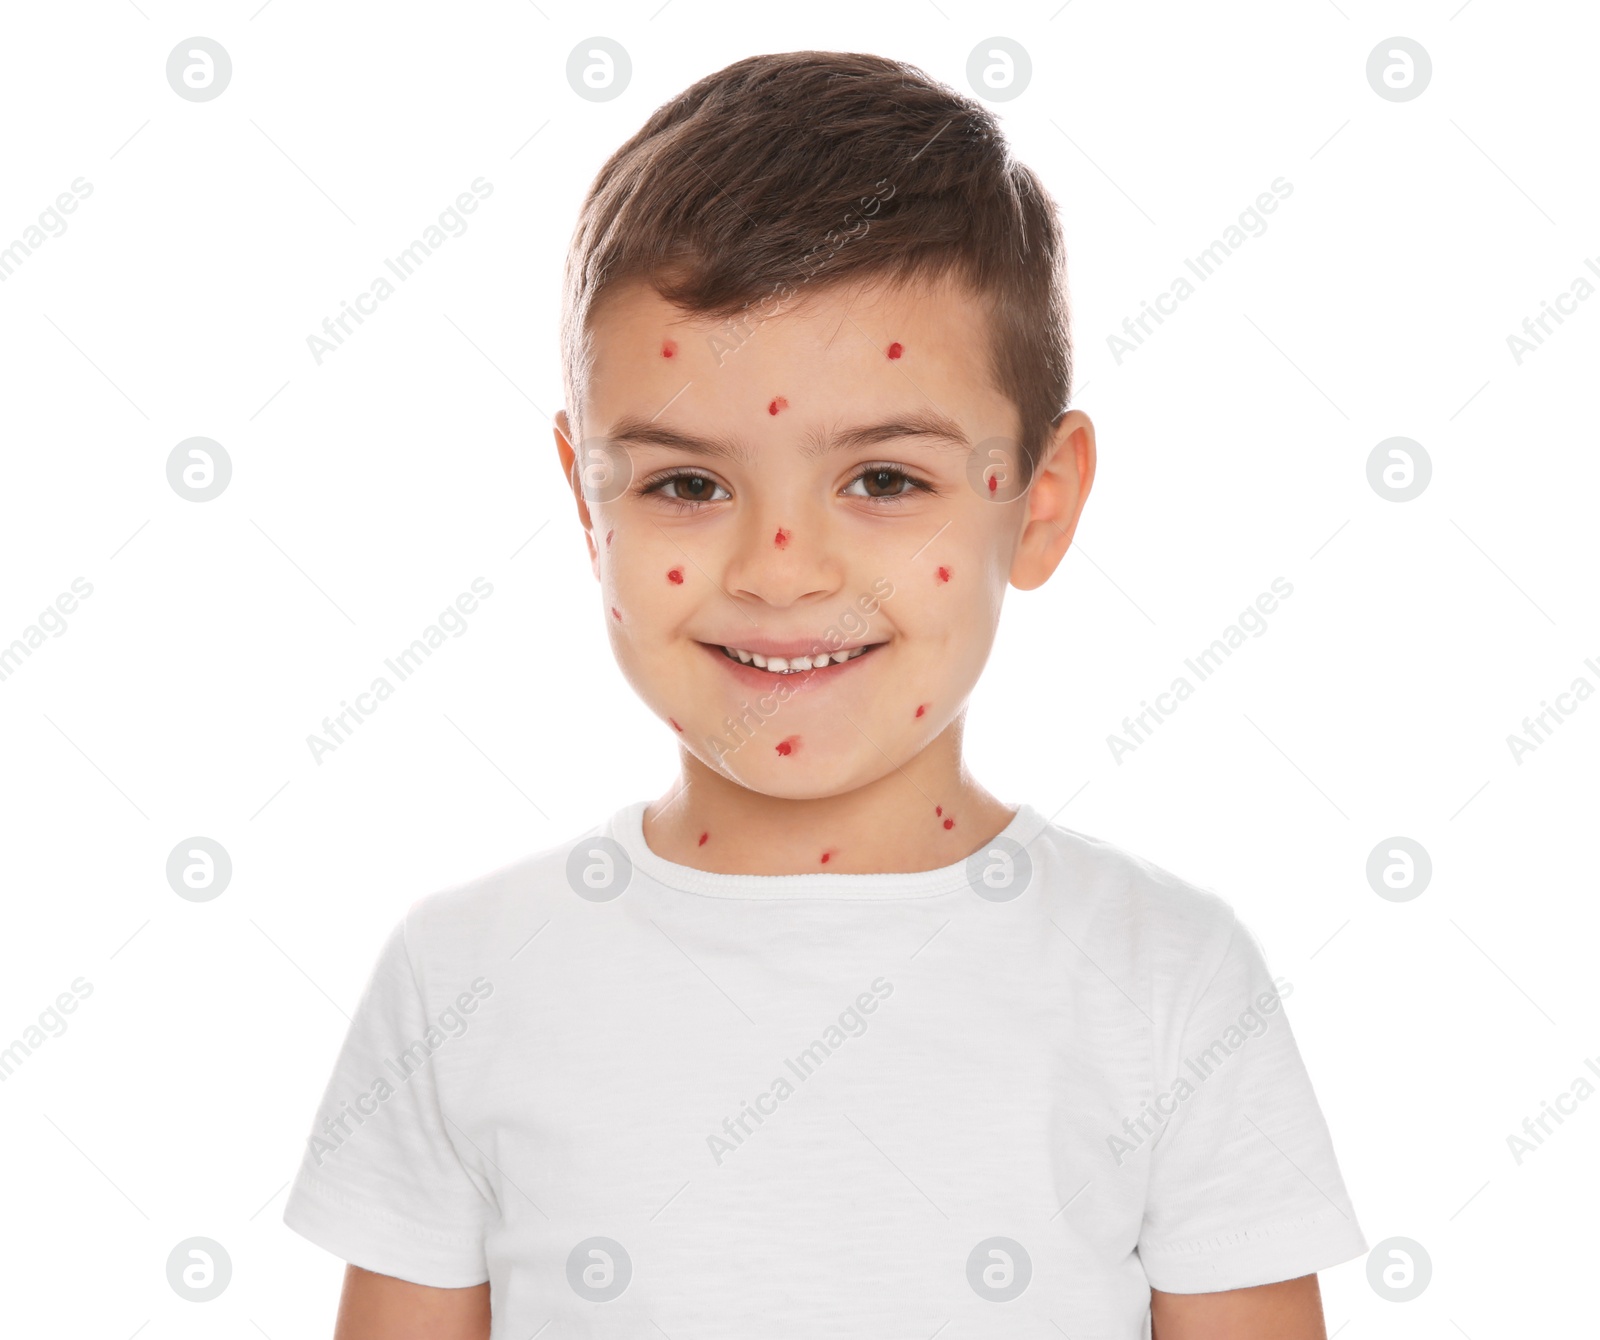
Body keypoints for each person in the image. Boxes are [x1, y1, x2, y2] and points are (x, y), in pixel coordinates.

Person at [284, 49, 1366, 1339]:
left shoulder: (1167, 984)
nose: (781, 572)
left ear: (1041, 501)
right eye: (688, 484)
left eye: (885, 481)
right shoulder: (463, 979)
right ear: (587, 502)